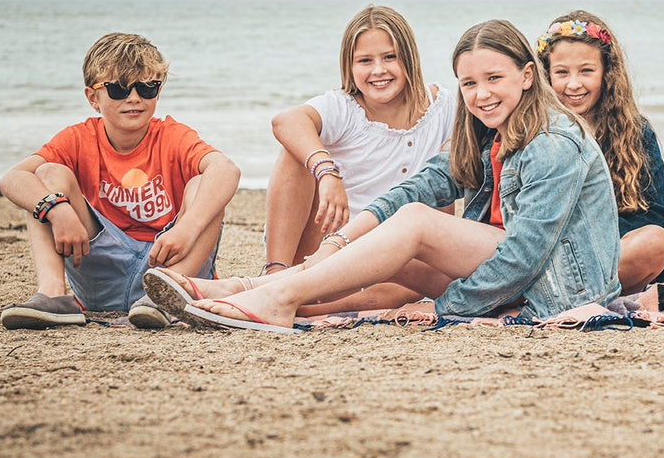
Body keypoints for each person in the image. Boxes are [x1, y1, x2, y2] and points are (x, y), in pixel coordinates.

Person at [145, 19, 620, 330]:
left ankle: (276, 294)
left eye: (494, 79)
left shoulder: (553, 142)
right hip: (518, 271)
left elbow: (524, 256)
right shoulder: (486, 130)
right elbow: (422, 184)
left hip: (558, 287)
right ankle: (249, 291)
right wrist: (340, 240)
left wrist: (443, 307)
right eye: (469, 84)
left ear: (527, 76)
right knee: (372, 258)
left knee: (416, 222)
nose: (481, 95)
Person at [0, 31, 241, 330]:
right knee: (47, 177)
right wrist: (57, 210)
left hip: (169, 269)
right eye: (118, 89)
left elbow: (227, 169)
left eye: (147, 87)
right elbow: (13, 178)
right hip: (100, 273)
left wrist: (188, 230)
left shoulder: (172, 135)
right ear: (93, 97)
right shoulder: (78, 138)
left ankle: (166, 300)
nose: (134, 98)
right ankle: (53, 294)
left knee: (204, 184)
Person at [262, 4, 455, 272]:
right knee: (295, 150)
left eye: (390, 57)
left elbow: (444, 187)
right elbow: (285, 121)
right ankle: (276, 274)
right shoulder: (344, 107)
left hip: (397, 251)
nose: (378, 70)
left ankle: (301, 299)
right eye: (365, 61)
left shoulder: (441, 106)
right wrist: (328, 173)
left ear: (409, 57)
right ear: (350, 66)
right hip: (327, 244)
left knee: (409, 280)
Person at [537, 10, 664, 292]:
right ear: (544, 75)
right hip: (545, 258)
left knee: (655, 241)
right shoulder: (533, 131)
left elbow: (658, 213)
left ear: (606, 72)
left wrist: (590, 242)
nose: (573, 84)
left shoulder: (634, 130)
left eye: (586, 71)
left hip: (611, 255)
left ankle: (579, 290)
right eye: (561, 72)